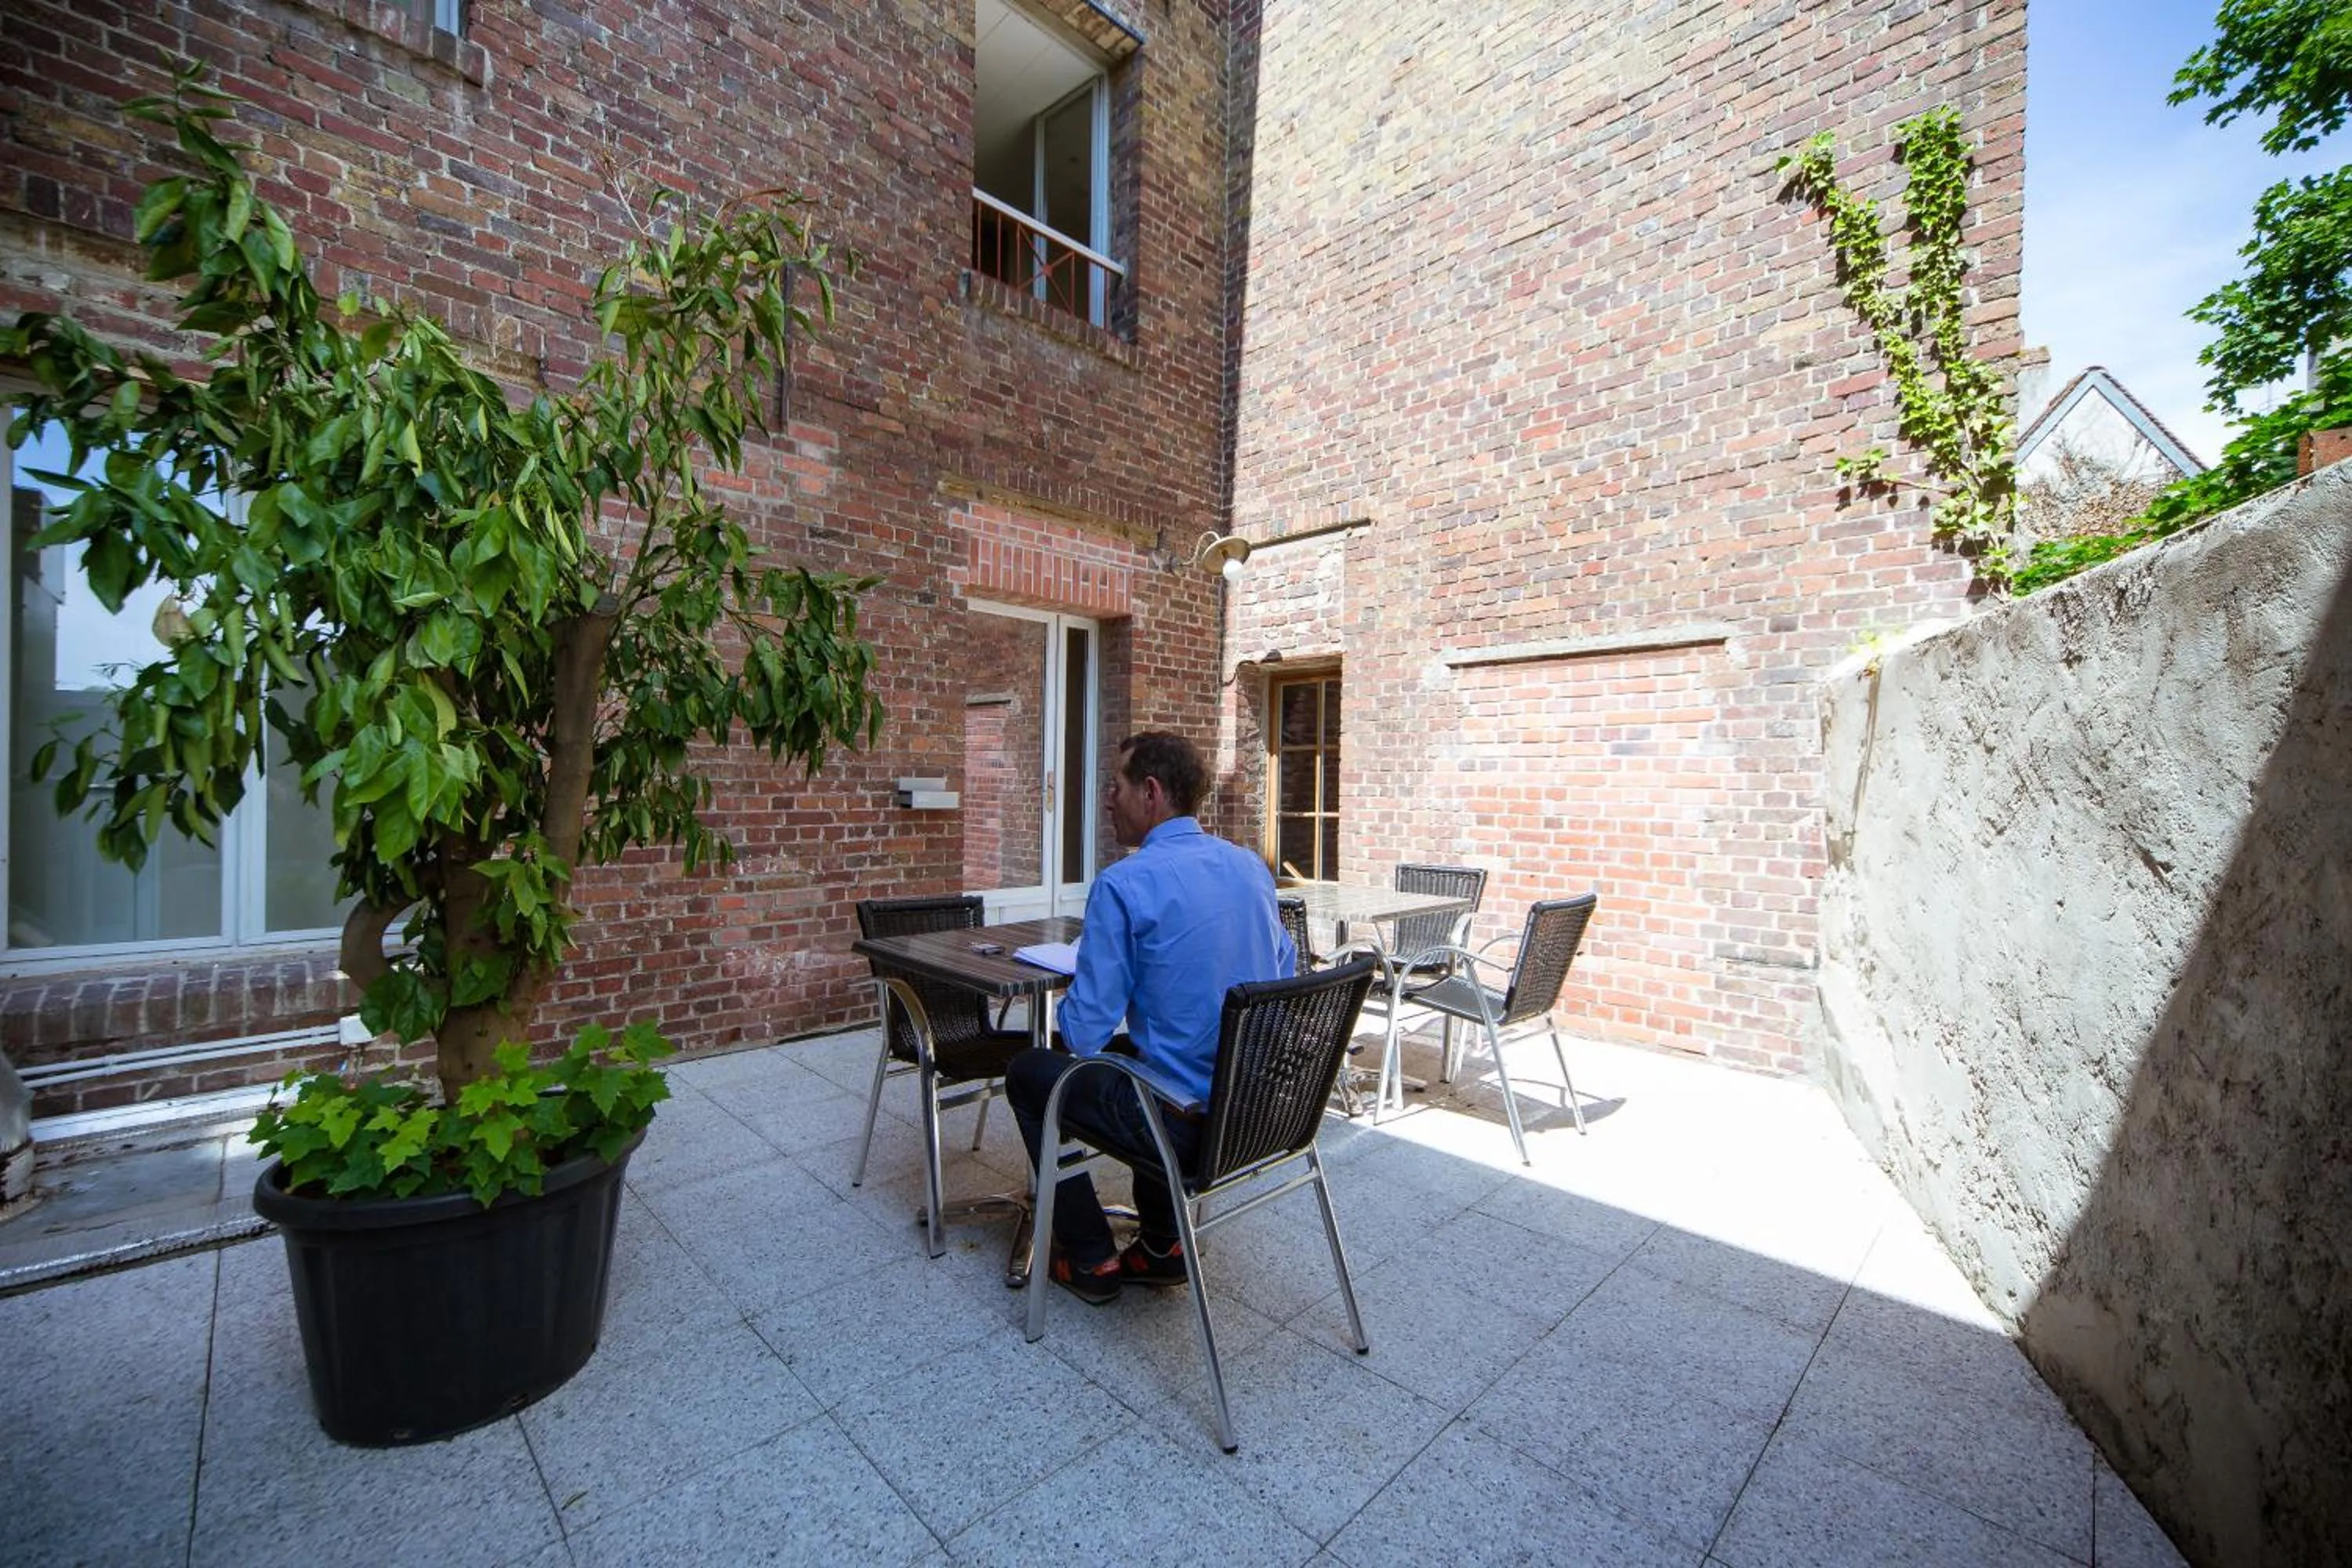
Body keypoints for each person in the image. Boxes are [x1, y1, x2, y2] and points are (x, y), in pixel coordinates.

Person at [1007, 731, 1295, 1304]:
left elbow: (1085, 1034)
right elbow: (1283, 972)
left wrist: (1090, 982)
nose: (1108, 800)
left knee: (1031, 1074)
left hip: (1184, 1126)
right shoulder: (1249, 868)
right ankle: (1163, 1246)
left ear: (1151, 792)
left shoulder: (1124, 883)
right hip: (1254, 1112)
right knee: (1140, 1058)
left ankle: (1090, 1258)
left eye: (1115, 786)